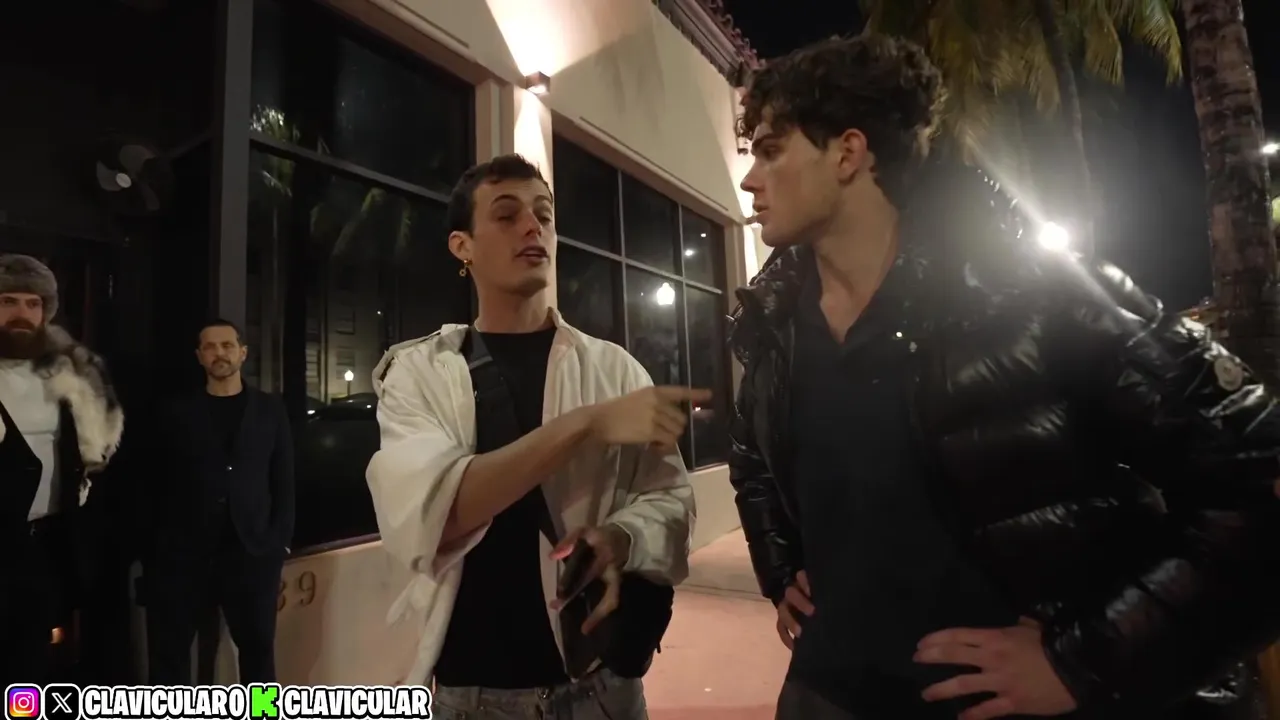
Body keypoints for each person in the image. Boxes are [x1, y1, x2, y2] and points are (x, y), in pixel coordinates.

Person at [728, 33, 1280, 720]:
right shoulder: (772, 322)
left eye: (771, 150)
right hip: (829, 691)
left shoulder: (1035, 296)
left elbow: (1257, 476)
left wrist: (1084, 660)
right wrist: (780, 567)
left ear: (848, 153)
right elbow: (752, 459)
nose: (750, 180)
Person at [366, 154, 698, 720]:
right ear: (462, 246)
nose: (532, 227)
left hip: (599, 691)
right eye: (506, 215)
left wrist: (621, 537)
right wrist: (586, 423)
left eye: (544, 215)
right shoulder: (421, 373)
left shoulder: (613, 369)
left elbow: (672, 500)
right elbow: (438, 512)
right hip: (468, 695)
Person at [145, 319, 294, 684]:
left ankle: (262, 710)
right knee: (170, 655)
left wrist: (278, 544)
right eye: (210, 347)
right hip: (184, 557)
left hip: (251, 555)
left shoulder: (269, 410)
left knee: (258, 651)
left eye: (227, 345)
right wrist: (158, 548)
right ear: (199, 356)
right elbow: (154, 482)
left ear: (243, 353)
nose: (219, 353)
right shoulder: (174, 413)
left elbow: (284, 480)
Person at [0, 253, 124, 683]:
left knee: (30, 667)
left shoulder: (70, 373)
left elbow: (90, 451)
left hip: (44, 548)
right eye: (8, 301)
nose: (22, 313)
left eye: (33, 303)